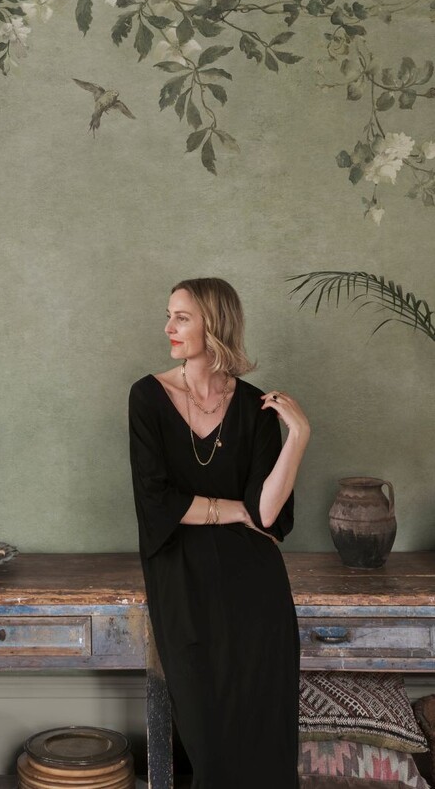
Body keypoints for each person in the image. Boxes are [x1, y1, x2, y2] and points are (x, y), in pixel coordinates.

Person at [128, 277, 310, 789]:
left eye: (182, 317)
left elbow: (267, 514)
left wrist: (299, 435)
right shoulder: (147, 397)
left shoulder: (254, 406)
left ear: (215, 323)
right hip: (181, 577)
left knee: (265, 741)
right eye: (169, 316)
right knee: (209, 745)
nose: (169, 327)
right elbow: (157, 504)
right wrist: (236, 511)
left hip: (255, 587)